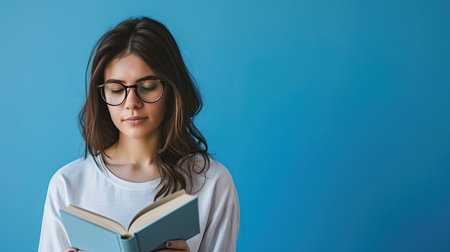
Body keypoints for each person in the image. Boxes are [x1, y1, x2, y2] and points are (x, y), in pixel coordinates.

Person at [38, 16, 239, 252]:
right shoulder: (67, 184)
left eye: (148, 86)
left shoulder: (213, 183)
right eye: (116, 89)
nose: (131, 103)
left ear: (171, 89)